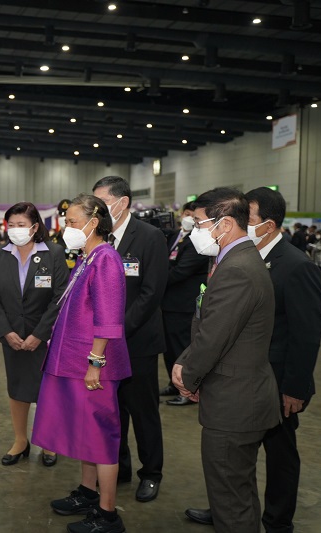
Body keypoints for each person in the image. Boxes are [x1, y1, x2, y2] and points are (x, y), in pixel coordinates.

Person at [184, 186, 321, 531]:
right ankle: (230, 510)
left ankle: (276, 521)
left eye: (250, 217)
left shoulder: (294, 265)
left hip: (272, 381)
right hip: (240, 378)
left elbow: (306, 335)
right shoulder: (235, 257)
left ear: (269, 224)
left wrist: (295, 388)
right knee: (236, 471)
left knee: (278, 458)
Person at [173, 187, 279, 532]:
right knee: (237, 492)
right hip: (238, 397)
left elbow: (215, 337)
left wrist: (187, 378)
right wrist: (186, 361)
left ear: (226, 224)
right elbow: (212, 323)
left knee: (230, 502)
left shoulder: (238, 268)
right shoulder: (233, 260)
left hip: (235, 403)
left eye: (200, 223)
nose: (195, 230)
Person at [35, 195, 130, 533]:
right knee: (86, 434)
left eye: (73, 222)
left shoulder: (106, 259)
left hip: (92, 366)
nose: (67, 228)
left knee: (101, 438)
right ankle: (89, 493)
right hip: (74, 361)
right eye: (66, 221)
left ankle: (107, 514)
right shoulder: (88, 257)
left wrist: (96, 362)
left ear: (94, 222)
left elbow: (108, 318)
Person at [92, 176, 168, 502]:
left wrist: (117, 329)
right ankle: (119, 466)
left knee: (143, 411)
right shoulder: (99, 238)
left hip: (137, 342)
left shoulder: (149, 237)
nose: (97, 209)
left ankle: (151, 473)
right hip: (104, 345)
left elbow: (151, 292)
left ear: (122, 203)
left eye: (102, 202)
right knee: (113, 410)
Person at [0, 202, 69, 468]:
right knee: (17, 388)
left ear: (34, 227)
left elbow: (60, 297)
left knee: (47, 391)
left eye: (21, 225)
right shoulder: (1, 254)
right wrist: (5, 331)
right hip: (13, 337)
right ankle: (20, 441)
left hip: (45, 337)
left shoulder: (53, 253)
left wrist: (40, 334)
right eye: (11, 225)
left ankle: (49, 441)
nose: (15, 230)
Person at [160, 202, 208, 406]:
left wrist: (156, 277)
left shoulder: (197, 241)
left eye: (193, 215)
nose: (188, 218)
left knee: (182, 347)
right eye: (186, 213)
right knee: (169, 348)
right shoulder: (176, 236)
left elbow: (182, 271)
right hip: (168, 303)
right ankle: (173, 384)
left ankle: (187, 389)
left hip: (183, 304)